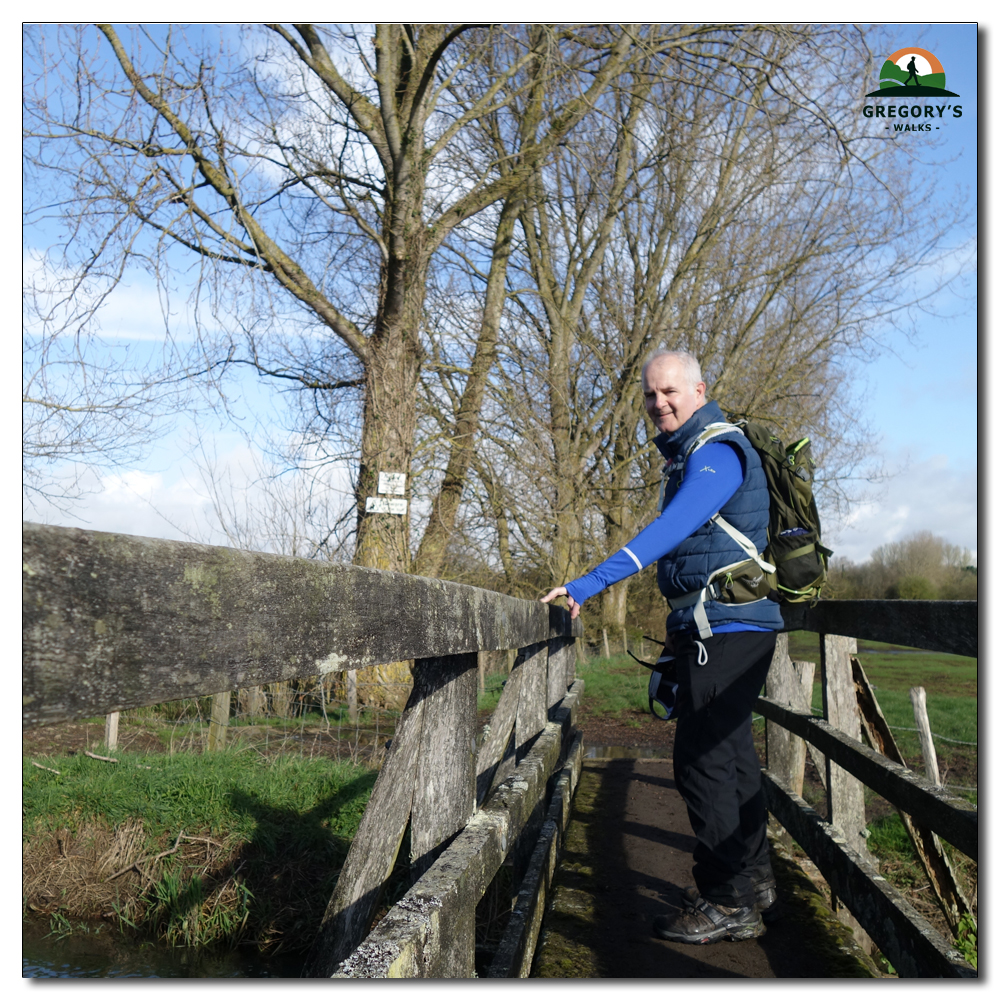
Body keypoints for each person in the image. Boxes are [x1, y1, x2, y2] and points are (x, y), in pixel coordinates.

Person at [541, 348, 783, 945]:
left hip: (728, 627)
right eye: (650, 395)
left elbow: (670, 530)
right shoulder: (692, 455)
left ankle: (726, 898)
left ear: (700, 390)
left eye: (670, 392)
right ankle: (751, 881)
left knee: (700, 761)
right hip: (723, 625)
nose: (659, 403)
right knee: (730, 756)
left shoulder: (718, 453)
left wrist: (588, 584)